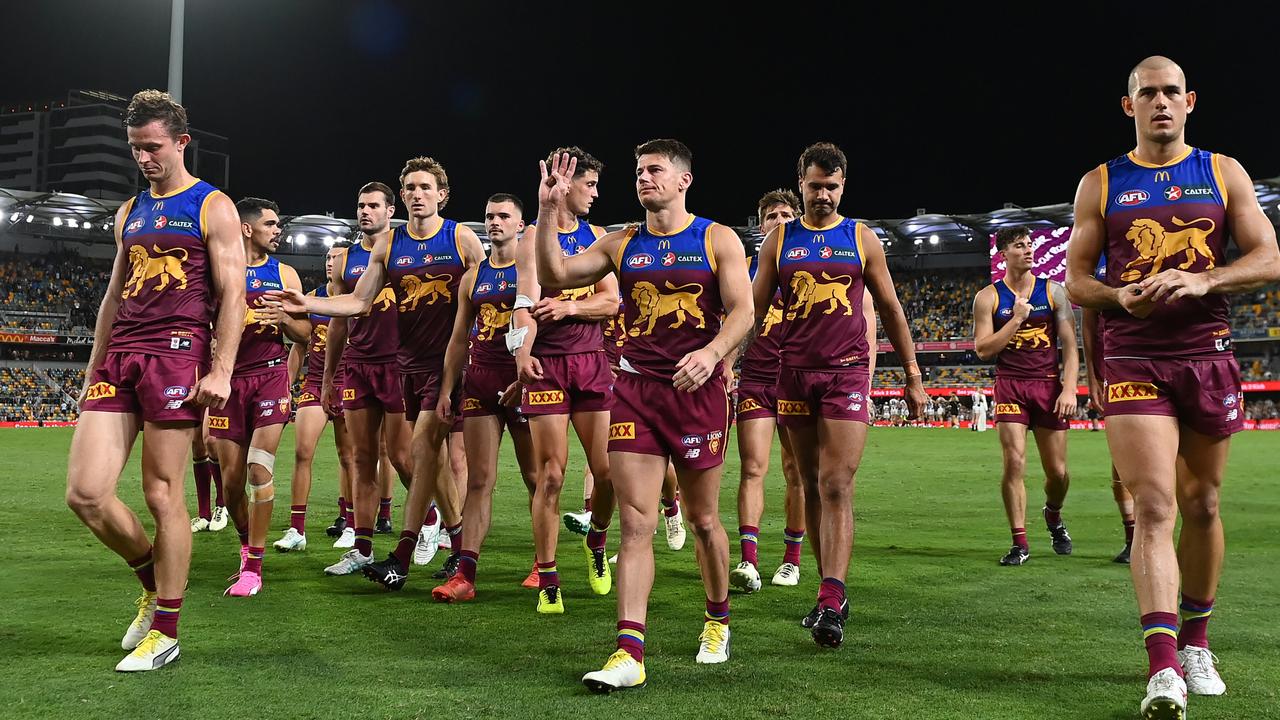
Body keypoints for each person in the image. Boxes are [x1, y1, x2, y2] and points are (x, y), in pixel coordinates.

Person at [1064, 56, 1280, 718]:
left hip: (1206, 351)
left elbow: (1269, 257)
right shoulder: (1101, 183)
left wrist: (1203, 280)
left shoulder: (1223, 172)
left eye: (1170, 93)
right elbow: (1076, 279)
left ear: (1190, 101)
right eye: (1146, 94)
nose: (1160, 103)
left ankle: (1196, 642)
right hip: (1134, 356)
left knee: (1204, 503)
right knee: (1155, 507)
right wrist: (1118, 296)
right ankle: (1162, 669)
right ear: (1128, 106)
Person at [535, 142, 752, 691]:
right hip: (634, 390)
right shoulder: (621, 242)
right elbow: (555, 272)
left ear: (684, 180)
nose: (643, 178)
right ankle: (629, 652)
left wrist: (712, 354)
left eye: (654, 170)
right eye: (638, 171)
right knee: (636, 522)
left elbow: (745, 310)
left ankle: (718, 618)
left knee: (704, 521)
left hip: (696, 393)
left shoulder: (716, 238)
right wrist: (546, 209)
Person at [67, 90, 245, 671]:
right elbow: (115, 295)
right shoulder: (130, 211)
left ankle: (166, 630)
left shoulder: (212, 206)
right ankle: (150, 581)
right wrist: (94, 367)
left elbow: (234, 295)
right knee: (86, 494)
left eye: (153, 147)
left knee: (163, 493)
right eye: (135, 148)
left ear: (180, 142)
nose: (143, 158)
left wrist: (220, 368)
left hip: (176, 356)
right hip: (121, 355)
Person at [272, 160, 485, 590]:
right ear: (402, 196)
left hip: (448, 366)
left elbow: (487, 293)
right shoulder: (389, 245)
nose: (417, 194)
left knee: (423, 451)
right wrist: (306, 304)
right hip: (407, 367)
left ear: (442, 193)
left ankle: (404, 555)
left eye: (426, 187)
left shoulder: (460, 238)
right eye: (410, 187)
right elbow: (358, 301)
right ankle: (456, 545)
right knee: (431, 459)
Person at [751, 142, 926, 649]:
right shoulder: (779, 241)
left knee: (835, 484)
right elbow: (755, 308)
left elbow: (891, 309)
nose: (822, 195)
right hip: (792, 374)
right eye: (814, 186)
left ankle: (831, 597)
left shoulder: (861, 238)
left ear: (843, 186)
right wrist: (724, 359)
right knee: (808, 484)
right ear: (801, 185)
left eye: (831, 187)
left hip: (847, 373)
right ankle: (830, 592)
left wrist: (912, 374)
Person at [730, 189, 877, 594]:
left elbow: (868, 318)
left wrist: (869, 379)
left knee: (800, 473)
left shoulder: (821, 258)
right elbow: (740, 317)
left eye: (785, 214)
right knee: (753, 467)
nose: (779, 220)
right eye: (771, 215)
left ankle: (793, 560)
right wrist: (725, 361)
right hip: (760, 377)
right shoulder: (749, 268)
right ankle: (749, 557)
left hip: (806, 373)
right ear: (760, 225)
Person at [512, 147, 619, 613]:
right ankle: (549, 578)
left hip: (592, 361)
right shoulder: (532, 237)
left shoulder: (599, 237)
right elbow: (524, 302)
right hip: (548, 366)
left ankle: (596, 541)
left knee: (609, 472)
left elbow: (611, 302)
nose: (594, 193)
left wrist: (571, 306)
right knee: (551, 476)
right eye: (589, 185)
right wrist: (521, 351)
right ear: (567, 184)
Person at [430, 193, 538, 602]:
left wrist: (529, 376)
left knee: (536, 479)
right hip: (479, 382)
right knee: (479, 481)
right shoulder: (473, 277)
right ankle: (465, 575)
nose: (494, 222)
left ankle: (541, 563)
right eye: (490, 215)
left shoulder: (533, 270)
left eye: (504, 216)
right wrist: (447, 389)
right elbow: (458, 338)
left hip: (523, 381)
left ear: (520, 225)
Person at [209, 198, 310, 596]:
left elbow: (305, 336)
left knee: (258, 469)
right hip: (228, 383)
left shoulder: (284, 274)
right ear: (247, 229)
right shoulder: (219, 271)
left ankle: (254, 565)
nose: (278, 230)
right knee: (231, 486)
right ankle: (247, 542)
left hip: (269, 378)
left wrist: (285, 318)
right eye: (270, 224)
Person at [972, 225, 1078, 567]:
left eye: (1030, 244)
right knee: (1014, 462)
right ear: (1004, 254)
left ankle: (1053, 514)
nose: (1029, 250)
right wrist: (1017, 319)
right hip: (1010, 385)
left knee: (1058, 473)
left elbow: (1071, 347)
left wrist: (1070, 387)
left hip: (1048, 386)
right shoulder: (988, 297)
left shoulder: (1054, 292)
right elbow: (983, 349)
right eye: (1020, 245)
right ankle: (1020, 542)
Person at [274, 242, 357, 554]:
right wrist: (287, 381)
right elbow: (301, 344)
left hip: (349, 382)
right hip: (315, 382)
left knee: (348, 457)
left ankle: (350, 524)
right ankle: (297, 528)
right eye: (327, 257)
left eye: (337, 257)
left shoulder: (357, 296)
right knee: (302, 452)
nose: (330, 262)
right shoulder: (313, 299)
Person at [1080, 255, 1135, 564]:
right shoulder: (1098, 258)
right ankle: (1132, 536)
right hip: (1116, 366)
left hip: (1167, 356)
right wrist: (1092, 374)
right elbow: (1089, 320)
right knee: (1121, 456)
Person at [189, 413, 228, 532]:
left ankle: (222, 504)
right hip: (193, 395)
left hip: (216, 395)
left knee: (211, 440)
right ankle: (204, 515)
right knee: (197, 443)